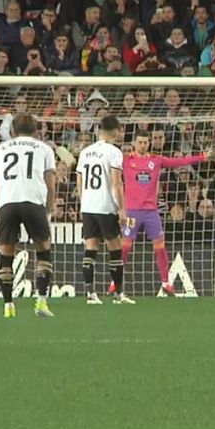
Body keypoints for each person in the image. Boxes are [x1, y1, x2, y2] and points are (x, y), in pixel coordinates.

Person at [120, 133, 209, 297]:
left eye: (146, 142)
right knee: (125, 246)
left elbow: (178, 162)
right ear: (134, 143)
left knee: (160, 246)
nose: (143, 145)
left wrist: (200, 158)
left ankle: (166, 282)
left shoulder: (156, 160)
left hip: (151, 212)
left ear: (149, 143)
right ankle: (115, 281)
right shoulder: (126, 160)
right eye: (140, 142)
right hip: (132, 211)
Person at [0, 113, 57, 319]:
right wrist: (49, 209)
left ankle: (8, 305)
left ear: (13, 130)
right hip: (33, 201)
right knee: (43, 250)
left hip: (7, 203)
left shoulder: (0, 150)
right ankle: (41, 303)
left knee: (6, 254)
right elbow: (50, 182)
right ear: (36, 130)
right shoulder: (44, 149)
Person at [77, 115, 134, 305]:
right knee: (115, 247)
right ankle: (118, 294)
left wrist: (84, 202)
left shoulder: (86, 152)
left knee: (91, 247)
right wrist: (122, 210)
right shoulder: (114, 152)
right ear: (116, 131)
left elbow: (79, 181)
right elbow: (117, 183)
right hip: (105, 205)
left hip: (88, 205)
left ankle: (90, 294)